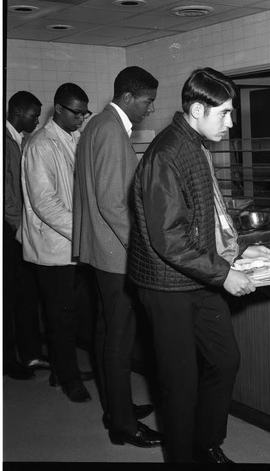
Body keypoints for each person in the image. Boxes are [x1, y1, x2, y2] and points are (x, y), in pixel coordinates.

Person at [128, 67, 270, 463]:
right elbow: (170, 238)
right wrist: (226, 274)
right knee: (179, 384)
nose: (231, 122)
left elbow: (207, 219)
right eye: (225, 112)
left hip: (196, 278)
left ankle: (206, 442)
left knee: (224, 360)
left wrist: (239, 251)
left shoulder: (196, 146)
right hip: (166, 285)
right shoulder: (168, 153)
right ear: (196, 109)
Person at [73, 66, 163, 448]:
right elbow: (112, 202)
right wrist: (142, 248)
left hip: (99, 249)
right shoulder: (110, 130)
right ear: (128, 97)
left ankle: (117, 406)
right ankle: (123, 426)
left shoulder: (96, 126)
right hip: (115, 254)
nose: (150, 109)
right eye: (147, 101)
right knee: (119, 339)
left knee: (107, 331)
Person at [20, 83, 94, 402]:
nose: (81, 118)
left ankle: (61, 371)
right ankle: (68, 378)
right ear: (59, 109)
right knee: (60, 316)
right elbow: (45, 203)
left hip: (73, 244)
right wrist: (83, 231)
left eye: (84, 113)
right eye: (76, 112)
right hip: (54, 246)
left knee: (72, 312)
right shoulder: (41, 144)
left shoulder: (73, 138)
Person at [4, 91, 50, 380]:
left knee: (25, 295)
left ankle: (31, 353)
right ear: (19, 112)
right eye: (33, 115)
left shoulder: (19, 141)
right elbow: (7, 197)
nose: (35, 121)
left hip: (16, 229)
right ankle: (9, 360)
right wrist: (21, 229)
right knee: (9, 299)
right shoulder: (5, 143)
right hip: (10, 231)